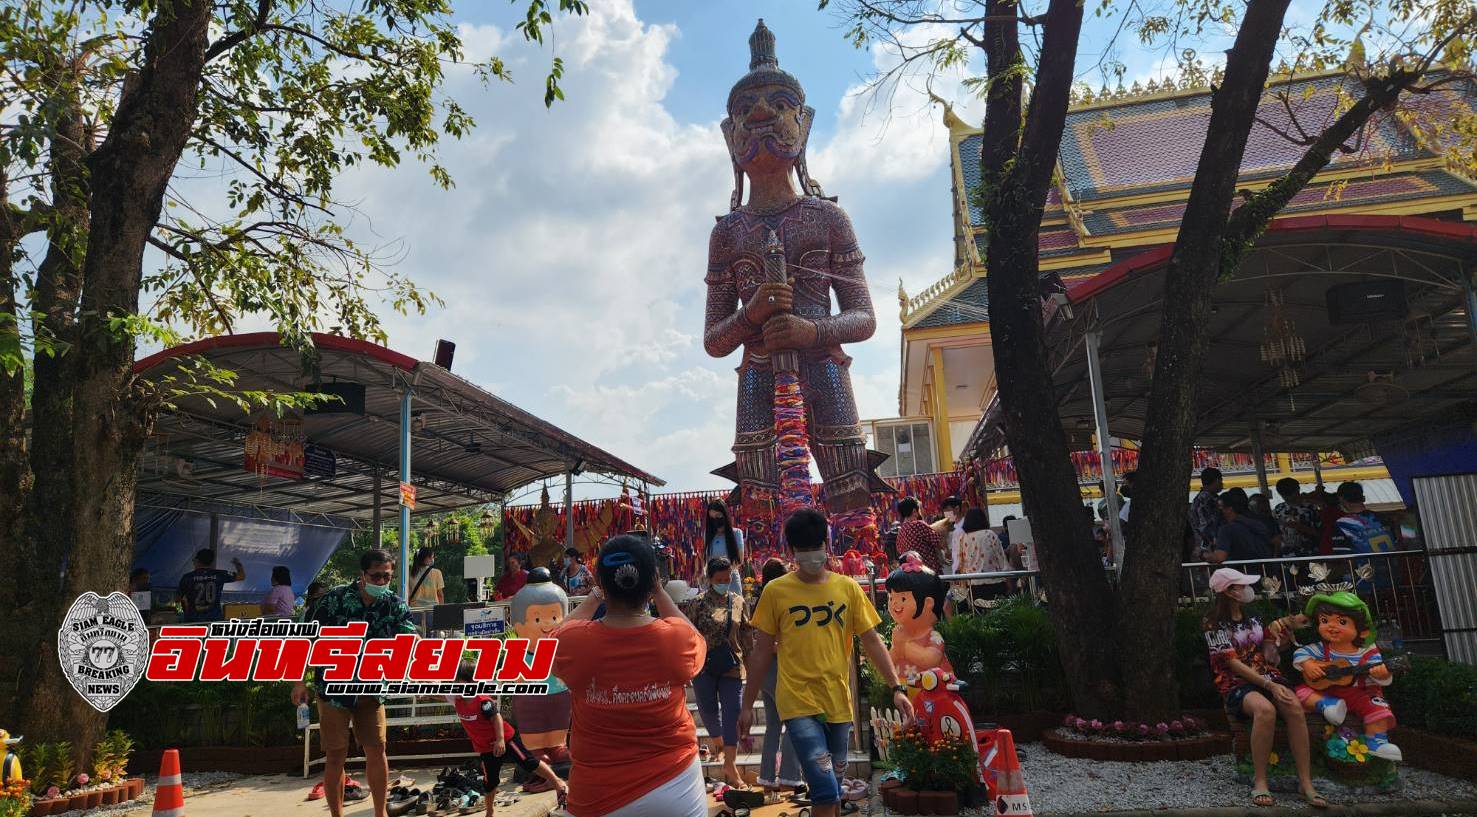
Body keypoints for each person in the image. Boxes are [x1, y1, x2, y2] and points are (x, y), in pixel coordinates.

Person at [740, 508, 916, 817]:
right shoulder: (775, 591)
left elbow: (872, 640)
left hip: (838, 703)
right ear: (791, 551)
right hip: (797, 703)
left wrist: (896, 688)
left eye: (816, 546)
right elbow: (761, 652)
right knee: (823, 791)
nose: (811, 554)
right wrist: (745, 705)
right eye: (803, 549)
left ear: (827, 544)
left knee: (833, 791)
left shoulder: (847, 588)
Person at [552, 535, 707, 817]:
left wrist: (594, 595)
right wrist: (659, 593)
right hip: (675, 782)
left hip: (596, 793)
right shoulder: (674, 637)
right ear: (652, 581)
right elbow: (696, 637)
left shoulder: (576, 642)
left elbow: (548, 644)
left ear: (601, 582)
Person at [293, 549, 416, 817]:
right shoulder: (333, 601)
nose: (382, 581)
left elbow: (410, 639)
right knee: (336, 755)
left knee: (377, 749)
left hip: (371, 688)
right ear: (362, 575)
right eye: (376, 576)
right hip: (333, 689)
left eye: (387, 576)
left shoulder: (394, 604)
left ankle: (380, 813)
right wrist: (299, 681)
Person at [1203, 568, 1327, 810]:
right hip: (1235, 682)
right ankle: (1260, 781)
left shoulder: (1255, 617)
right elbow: (1232, 663)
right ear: (1228, 592)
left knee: (1294, 707)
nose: (1247, 589)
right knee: (1265, 710)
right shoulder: (1212, 623)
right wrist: (1267, 684)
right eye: (1241, 585)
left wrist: (1282, 640)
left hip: (1267, 674)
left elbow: (1268, 650)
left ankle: (1306, 782)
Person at [446, 663, 568, 815]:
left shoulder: (483, 701)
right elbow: (437, 692)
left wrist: (500, 740)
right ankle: (489, 812)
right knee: (490, 782)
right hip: (487, 748)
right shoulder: (456, 698)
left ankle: (558, 784)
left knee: (529, 762)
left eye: (458, 681)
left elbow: (496, 717)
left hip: (507, 740)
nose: (454, 684)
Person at [692, 556, 750, 787]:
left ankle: (731, 764)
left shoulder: (738, 601)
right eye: (719, 579)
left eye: (727, 579)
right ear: (709, 579)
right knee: (707, 710)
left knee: (732, 712)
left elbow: (746, 632)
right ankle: (719, 744)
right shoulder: (697, 603)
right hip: (703, 666)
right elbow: (689, 634)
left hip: (732, 664)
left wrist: (752, 658)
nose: (724, 583)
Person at [753, 558, 803, 791]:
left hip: (765, 673)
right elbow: (771, 643)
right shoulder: (778, 600)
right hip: (779, 672)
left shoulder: (762, 601)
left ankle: (767, 778)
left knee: (773, 725)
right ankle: (789, 777)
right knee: (795, 721)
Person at [1331, 482, 1395, 590]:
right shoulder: (1382, 518)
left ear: (1341, 499)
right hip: (1392, 577)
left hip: (1363, 584)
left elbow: (1347, 561)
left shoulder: (1343, 524)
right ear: (1362, 497)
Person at [1206, 489, 1276, 565]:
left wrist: (1202, 554)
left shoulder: (1226, 529)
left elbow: (1219, 557)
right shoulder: (1258, 523)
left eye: (1220, 507)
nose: (1218, 511)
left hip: (1240, 572)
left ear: (1229, 509)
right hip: (1264, 570)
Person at [177, 548, 246, 623]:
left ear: (197, 561)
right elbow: (241, 576)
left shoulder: (187, 577)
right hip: (214, 619)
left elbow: (177, 599)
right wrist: (238, 564)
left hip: (193, 620)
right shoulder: (220, 574)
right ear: (211, 562)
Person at [956, 507, 1007, 604]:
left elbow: (962, 563)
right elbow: (1001, 559)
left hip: (973, 585)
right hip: (995, 581)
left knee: (979, 612)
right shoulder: (989, 534)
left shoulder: (962, 538)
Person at [1273, 478, 1321, 558]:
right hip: (1287, 555)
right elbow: (1276, 533)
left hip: (1310, 554)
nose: (1288, 496)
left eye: (1291, 492)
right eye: (1284, 494)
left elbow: (1321, 533)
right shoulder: (1278, 509)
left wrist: (1301, 528)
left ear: (1297, 489)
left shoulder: (1311, 508)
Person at [894, 497, 943, 574]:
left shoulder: (901, 530)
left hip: (911, 574)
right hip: (928, 571)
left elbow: (899, 550)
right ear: (914, 511)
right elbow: (938, 541)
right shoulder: (918, 525)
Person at [1189, 467, 1225, 554]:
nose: (1222, 484)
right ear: (1216, 481)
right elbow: (1209, 524)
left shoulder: (1200, 498)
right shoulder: (1208, 500)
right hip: (1209, 543)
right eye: (1220, 481)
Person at [705, 500, 745, 567]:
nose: (715, 520)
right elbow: (705, 561)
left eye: (718, 515)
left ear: (725, 514)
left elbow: (740, 560)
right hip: (712, 576)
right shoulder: (707, 535)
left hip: (730, 576)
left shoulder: (736, 533)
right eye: (712, 518)